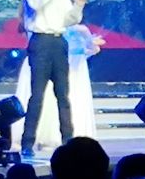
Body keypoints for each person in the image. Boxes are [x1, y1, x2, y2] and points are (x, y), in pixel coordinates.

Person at [21, 0, 87, 157]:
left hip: (59, 42)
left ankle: (68, 141)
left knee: (63, 95)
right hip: (40, 42)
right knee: (37, 95)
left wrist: (78, 6)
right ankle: (27, 142)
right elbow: (37, 4)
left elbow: (68, 20)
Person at [13, 23, 104, 152]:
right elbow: (92, 49)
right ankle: (64, 139)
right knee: (64, 99)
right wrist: (90, 46)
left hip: (44, 61)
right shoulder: (80, 29)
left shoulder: (35, 26)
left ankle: (37, 138)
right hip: (71, 65)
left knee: (44, 99)